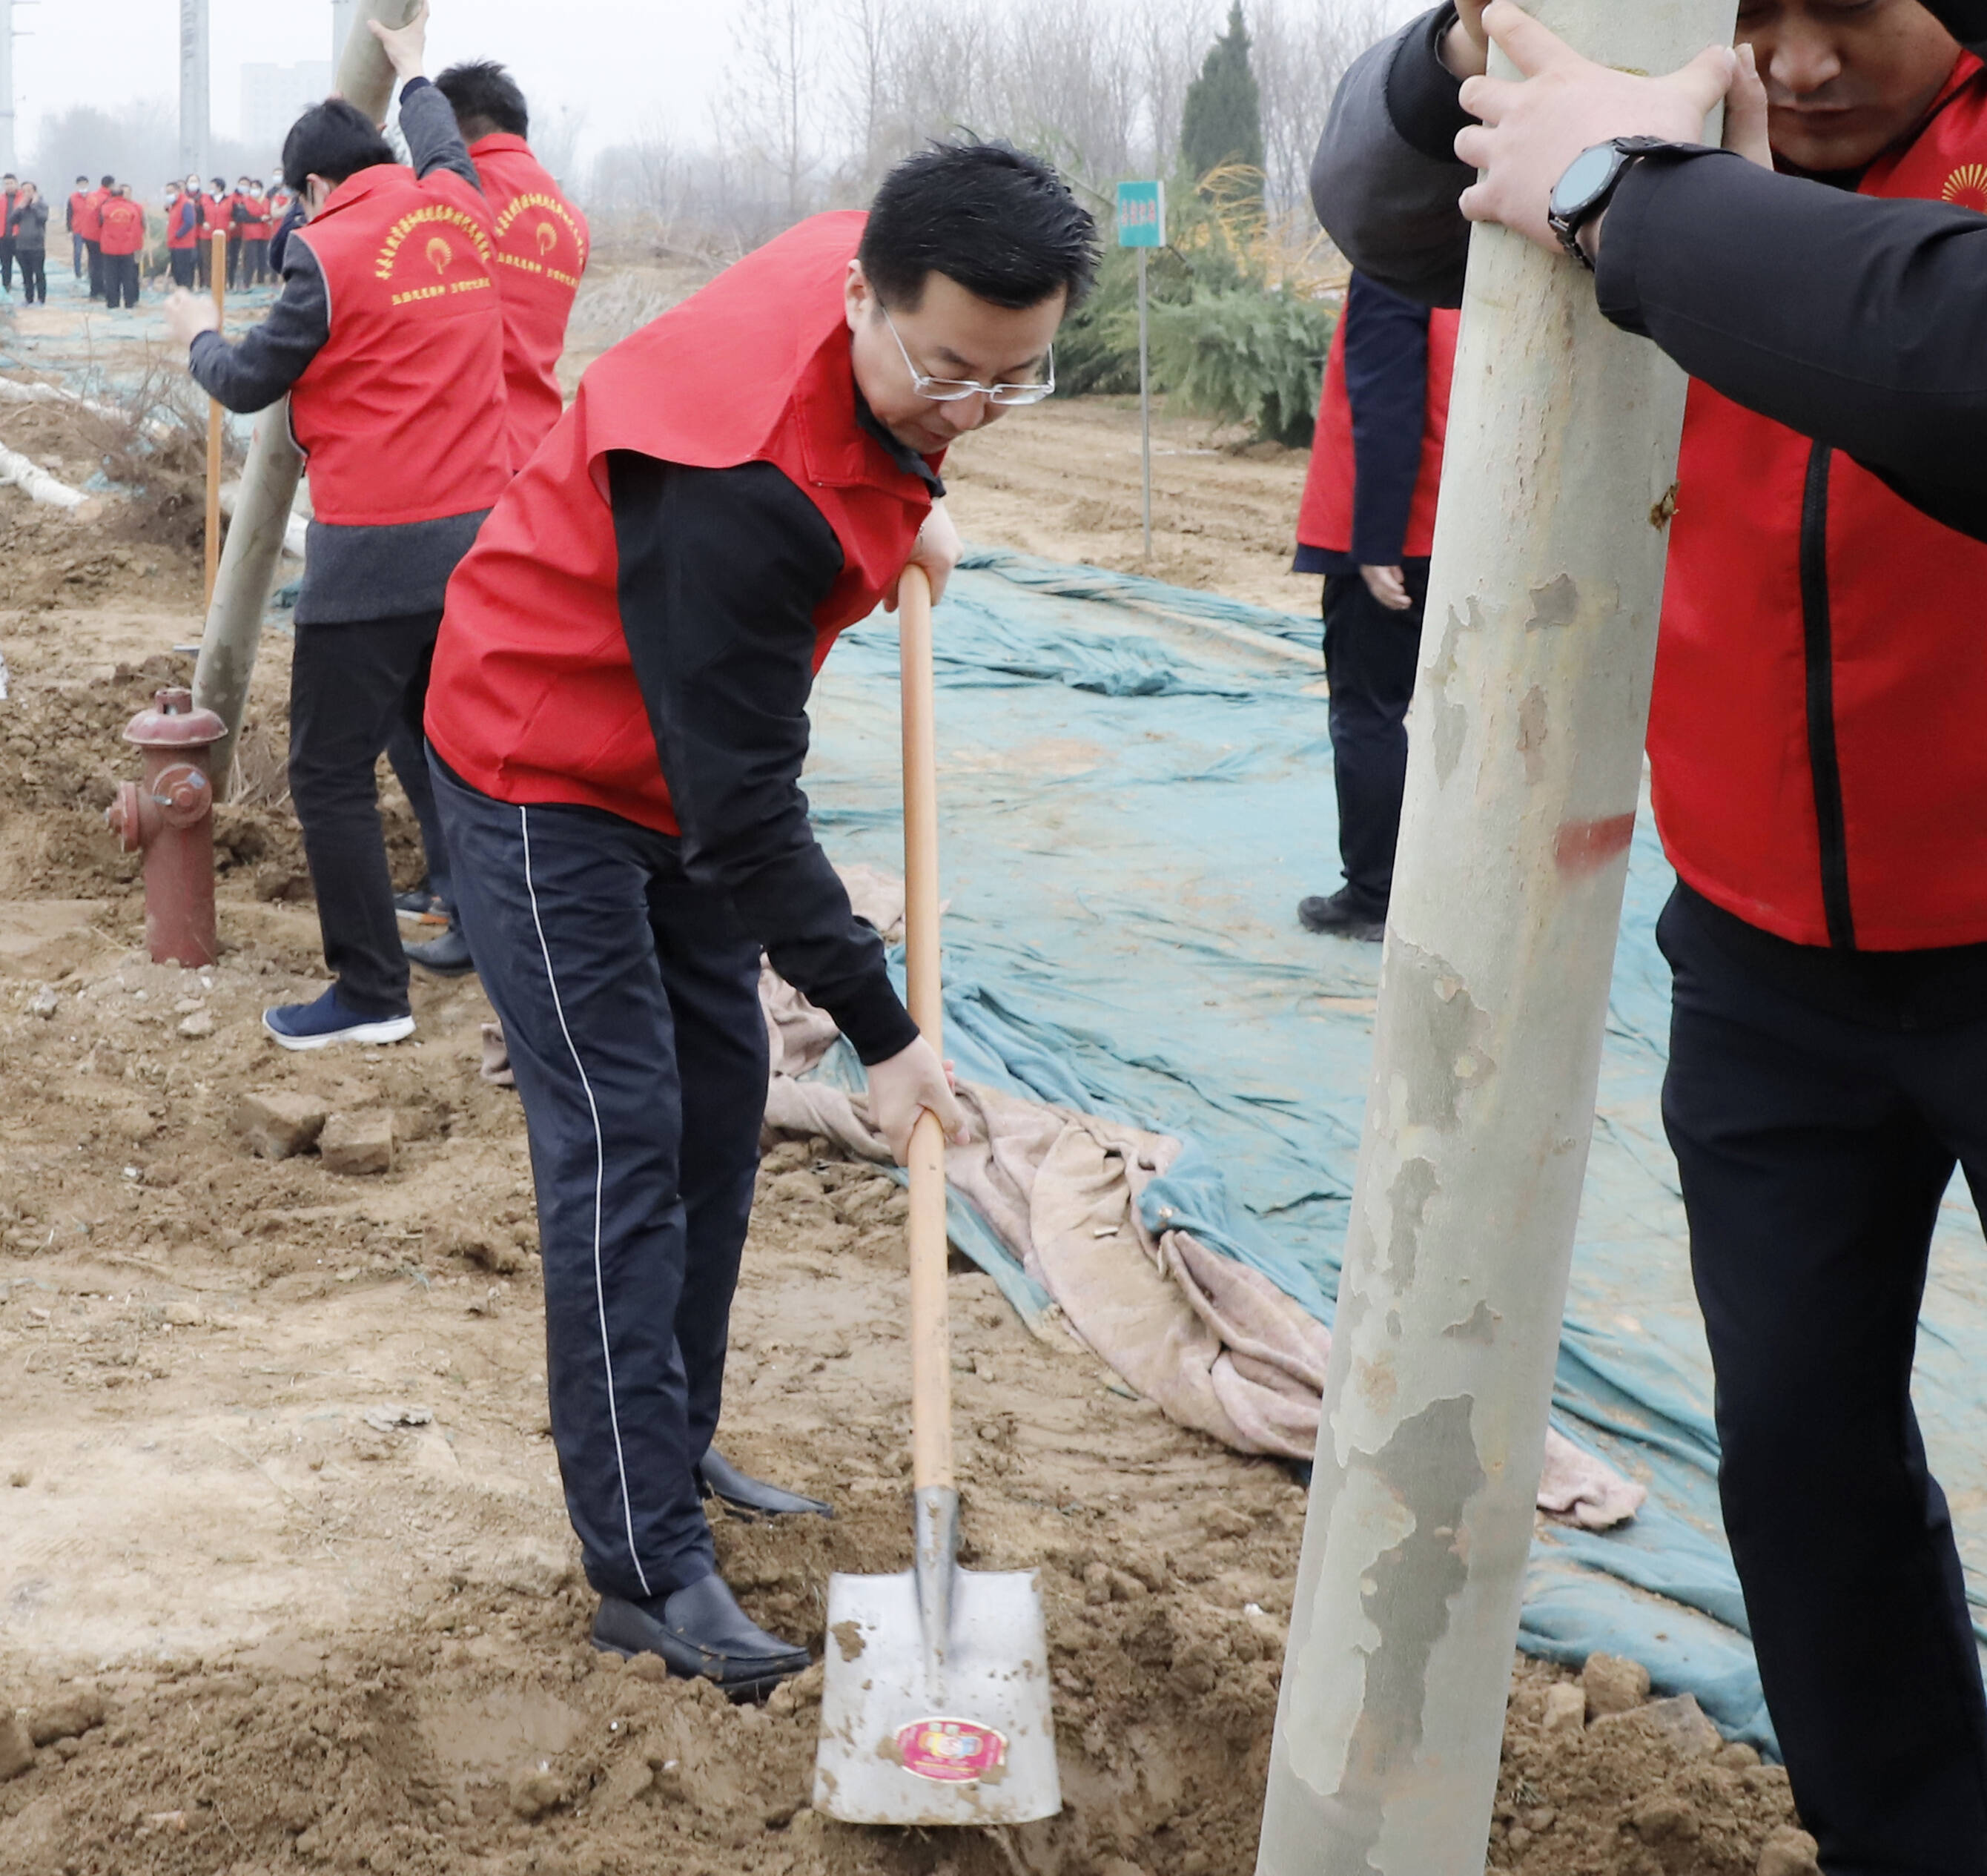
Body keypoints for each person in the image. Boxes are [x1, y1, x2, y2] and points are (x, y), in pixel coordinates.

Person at [1317, 1, 1987, 1866]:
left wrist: (1636, 196)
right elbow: (1375, 213)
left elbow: (1941, 353)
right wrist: (1463, 45)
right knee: (1795, 1462)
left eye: (1837, 2)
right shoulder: (1664, 94)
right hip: (1765, 961)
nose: (1788, 55)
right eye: (1739, 6)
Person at [420, 143, 1093, 1691]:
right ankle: (644, 1567)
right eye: (946, 371)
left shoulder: (878, 286)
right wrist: (885, 1030)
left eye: (1015, 377)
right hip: (544, 756)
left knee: (720, 1100)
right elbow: (744, 815)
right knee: (621, 1136)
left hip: (674, 751)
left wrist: (912, 488)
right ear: (861, 294)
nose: (973, 404)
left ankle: (674, 1432)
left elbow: (898, 431)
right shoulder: (740, 487)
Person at [162, 1, 504, 1052]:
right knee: (450, 746)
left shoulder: (328, 250)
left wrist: (200, 335)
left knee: (325, 769)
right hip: (480, 541)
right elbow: (443, 142)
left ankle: (371, 991)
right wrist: (414, 72)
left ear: (311, 187)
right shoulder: (459, 205)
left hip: (375, 554)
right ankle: (495, 943)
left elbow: (254, 381)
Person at [383, 57, 595, 975]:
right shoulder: (563, 215)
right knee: (468, 696)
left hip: (457, 469)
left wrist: (408, 84)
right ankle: (454, 886)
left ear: (458, 130)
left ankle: (469, 903)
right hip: (537, 469)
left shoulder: (450, 199)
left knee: (422, 702)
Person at [1292, 272, 1455, 943]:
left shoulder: (1399, 261)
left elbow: (1386, 400)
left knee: (1368, 714)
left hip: (1398, 536)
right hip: (1464, 524)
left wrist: (1375, 541)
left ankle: (1374, 894)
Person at [96, 183, 145, 311]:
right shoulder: (132, 209)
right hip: (127, 248)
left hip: (109, 248)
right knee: (128, 277)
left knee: (111, 277)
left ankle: (113, 303)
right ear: (123, 195)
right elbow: (137, 228)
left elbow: (99, 224)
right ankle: (129, 303)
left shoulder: (104, 208)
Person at [10, 183, 49, 306]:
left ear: (35, 192)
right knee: (26, 274)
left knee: (39, 273)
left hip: (37, 246)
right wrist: (20, 208)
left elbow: (42, 219)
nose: (27, 193)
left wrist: (34, 205)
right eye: (24, 191)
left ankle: (41, 299)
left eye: (29, 191)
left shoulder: (42, 206)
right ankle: (29, 298)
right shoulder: (21, 207)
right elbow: (12, 220)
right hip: (22, 246)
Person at [76, 174, 110, 300]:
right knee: (100, 264)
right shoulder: (106, 198)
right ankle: (98, 291)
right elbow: (103, 219)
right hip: (98, 235)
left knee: (93, 263)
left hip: (87, 234)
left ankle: (95, 291)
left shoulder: (92, 196)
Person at [165, 179, 199, 289]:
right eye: (167, 193)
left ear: (178, 191)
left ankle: (187, 296)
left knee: (184, 274)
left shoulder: (185, 204)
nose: (169, 195)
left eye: (171, 192)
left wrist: (178, 235)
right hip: (175, 245)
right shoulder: (173, 206)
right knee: (177, 273)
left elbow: (189, 223)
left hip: (184, 246)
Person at [240, 181, 271, 287]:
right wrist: (260, 218)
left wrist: (264, 218)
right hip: (250, 234)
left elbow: (268, 213)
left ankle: (261, 281)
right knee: (250, 259)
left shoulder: (266, 200)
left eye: (257, 187)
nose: (254, 190)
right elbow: (245, 217)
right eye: (252, 187)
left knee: (263, 258)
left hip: (264, 233)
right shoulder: (245, 200)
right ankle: (247, 283)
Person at [65, 175, 88, 280]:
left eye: (84, 183)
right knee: (78, 252)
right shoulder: (72, 198)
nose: (82, 185)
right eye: (80, 184)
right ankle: (78, 273)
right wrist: (69, 229)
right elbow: (69, 214)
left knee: (92, 253)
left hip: (90, 230)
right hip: (77, 230)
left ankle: (90, 272)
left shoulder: (93, 197)